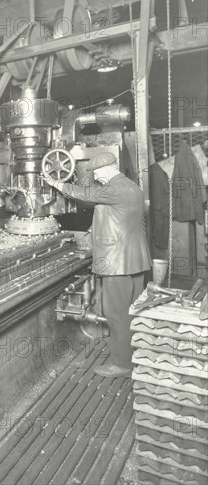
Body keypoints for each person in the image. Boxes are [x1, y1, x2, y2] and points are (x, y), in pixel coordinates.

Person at [44, 151, 151, 377]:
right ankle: (136, 354)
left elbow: (86, 193)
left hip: (117, 263)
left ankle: (122, 364)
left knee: (116, 313)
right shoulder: (133, 187)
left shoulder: (114, 188)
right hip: (136, 260)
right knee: (134, 311)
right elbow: (118, 217)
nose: (96, 178)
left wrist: (56, 183)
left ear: (106, 170)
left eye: (97, 174)